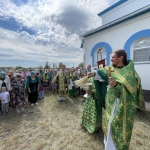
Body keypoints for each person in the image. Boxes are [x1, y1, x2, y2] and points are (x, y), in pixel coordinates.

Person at [88, 49, 145, 150]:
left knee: (116, 125)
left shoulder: (129, 73)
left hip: (122, 104)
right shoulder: (111, 68)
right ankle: (108, 146)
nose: (111, 59)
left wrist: (115, 85)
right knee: (108, 123)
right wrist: (93, 73)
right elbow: (100, 73)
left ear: (121, 58)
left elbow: (131, 91)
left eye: (113, 57)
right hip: (110, 103)